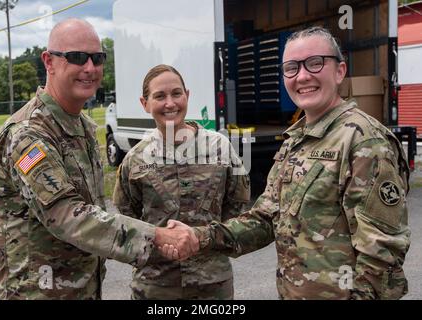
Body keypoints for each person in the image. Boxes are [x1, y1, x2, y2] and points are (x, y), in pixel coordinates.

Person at [163, 26, 411, 300]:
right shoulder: (297, 140)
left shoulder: (363, 141)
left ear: (340, 71)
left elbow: (382, 255)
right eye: (291, 68)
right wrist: (200, 237)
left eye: (315, 63)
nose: (303, 76)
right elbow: (265, 219)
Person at [0, 19, 197, 300]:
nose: (89, 68)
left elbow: (95, 211)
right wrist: (157, 237)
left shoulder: (82, 127)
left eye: (97, 58)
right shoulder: (28, 135)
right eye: (76, 57)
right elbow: (68, 217)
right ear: (49, 62)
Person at [112, 64, 250, 300]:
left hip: (212, 284)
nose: (170, 103)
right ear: (144, 104)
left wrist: (208, 239)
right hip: (155, 286)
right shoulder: (135, 160)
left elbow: (236, 207)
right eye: (159, 96)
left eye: (176, 93)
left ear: (187, 95)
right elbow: (128, 217)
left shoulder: (220, 147)